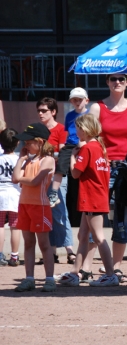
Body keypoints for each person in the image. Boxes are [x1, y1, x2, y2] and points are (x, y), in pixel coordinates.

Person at [89, 73, 127, 283]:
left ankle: (116, 267)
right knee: (95, 216)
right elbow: (91, 136)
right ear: (107, 82)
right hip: (103, 167)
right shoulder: (97, 107)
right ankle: (87, 266)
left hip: (126, 169)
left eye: (121, 79)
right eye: (113, 79)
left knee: (122, 218)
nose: (117, 82)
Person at [58, 115, 118, 287]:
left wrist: (72, 157)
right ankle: (75, 273)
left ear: (84, 130)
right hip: (96, 196)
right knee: (83, 235)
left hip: (92, 197)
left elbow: (76, 173)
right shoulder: (100, 146)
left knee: (99, 237)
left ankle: (110, 274)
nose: (76, 132)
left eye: (78, 129)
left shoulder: (88, 148)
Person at [11, 123, 56, 292]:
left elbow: (36, 181)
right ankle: (29, 278)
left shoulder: (48, 159)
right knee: (28, 243)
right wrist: (21, 159)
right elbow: (15, 178)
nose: (26, 145)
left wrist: (23, 179)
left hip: (40, 206)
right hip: (24, 205)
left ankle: (49, 279)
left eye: (29, 142)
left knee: (44, 244)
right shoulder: (27, 160)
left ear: (40, 142)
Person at [37, 97, 76, 266]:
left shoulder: (61, 129)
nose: (40, 113)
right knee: (47, 212)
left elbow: (62, 153)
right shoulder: (37, 130)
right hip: (41, 175)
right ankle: (52, 251)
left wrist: (45, 156)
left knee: (61, 211)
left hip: (57, 176)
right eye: (39, 110)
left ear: (53, 112)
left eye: (44, 110)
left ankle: (69, 250)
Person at [63, 87, 97, 281]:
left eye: (79, 99)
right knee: (84, 231)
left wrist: (76, 154)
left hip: (80, 156)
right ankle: (78, 270)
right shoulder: (69, 116)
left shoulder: (90, 118)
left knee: (96, 235)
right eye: (74, 100)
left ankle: (107, 270)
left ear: (86, 100)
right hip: (73, 153)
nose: (76, 102)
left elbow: (77, 172)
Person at [0, 128, 21, 267]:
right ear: (17, 143)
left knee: (0, 225)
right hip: (15, 194)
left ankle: (0, 254)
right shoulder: (19, 159)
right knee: (15, 226)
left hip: (1, 192)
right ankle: (14, 256)